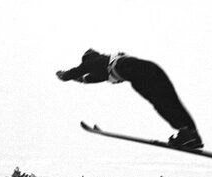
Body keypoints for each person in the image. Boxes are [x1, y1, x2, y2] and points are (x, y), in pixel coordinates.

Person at [57, 49, 203, 149]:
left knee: (161, 103)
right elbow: (89, 78)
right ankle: (190, 135)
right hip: (151, 69)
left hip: (138, 73)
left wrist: (64, 75)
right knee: (169, 102)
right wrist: (78, 79)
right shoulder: (105, 65)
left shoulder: (94, 61)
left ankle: (187, 133)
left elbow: (79, 71)